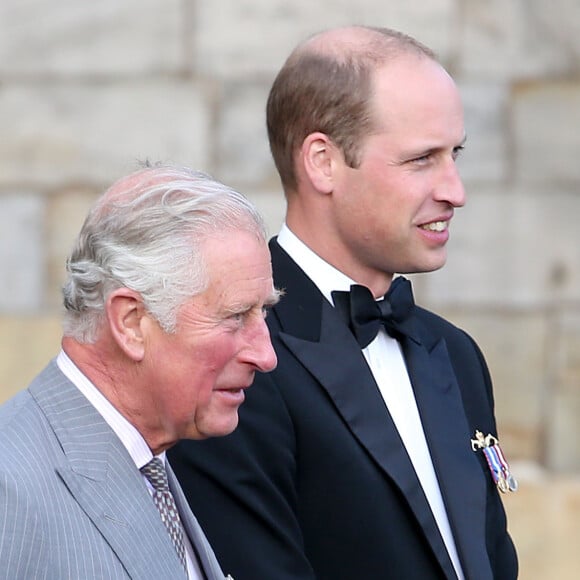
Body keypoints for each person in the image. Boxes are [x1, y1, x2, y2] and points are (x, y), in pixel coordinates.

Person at [168, 25, 518, 580]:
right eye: (422, 159)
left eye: (455, 154)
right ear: (322, 162)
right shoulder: (233, 357)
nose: (456, 190)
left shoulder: (454, 352)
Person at [0, 164, 279, 579]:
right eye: (236, 316)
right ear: (130, 322)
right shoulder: (11, 485)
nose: (266, 355)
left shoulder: (154, 462)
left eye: (265, 312)